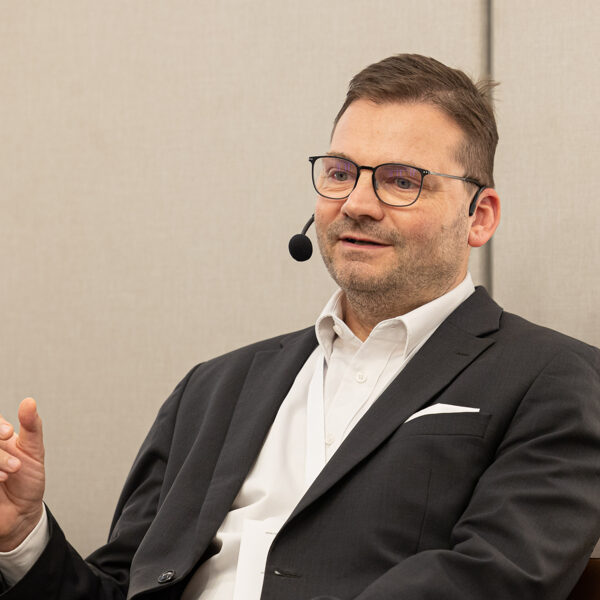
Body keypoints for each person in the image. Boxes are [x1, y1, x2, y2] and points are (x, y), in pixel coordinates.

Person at [0, 54, 598, 600]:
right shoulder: (211, 390)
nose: (357, 203)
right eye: (340, 172)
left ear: (479, 216)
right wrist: (23, 536)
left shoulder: (556, 380)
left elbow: (490, 581)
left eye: (401, 180)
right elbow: (121, 588)